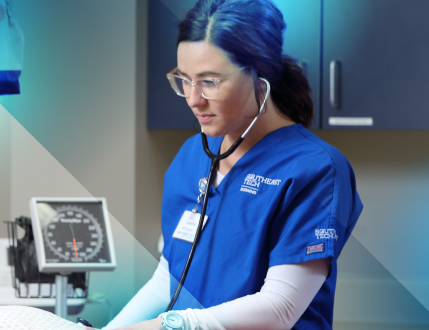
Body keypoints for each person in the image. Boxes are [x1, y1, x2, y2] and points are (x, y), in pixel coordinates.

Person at [102, 0, 362, 329]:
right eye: (184, 79)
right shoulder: (192, 155)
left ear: (259, 76)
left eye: (210, 81)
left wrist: (172, 326)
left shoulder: (317, 169)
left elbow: (279, 309)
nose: (194, 99)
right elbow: (169, 278)